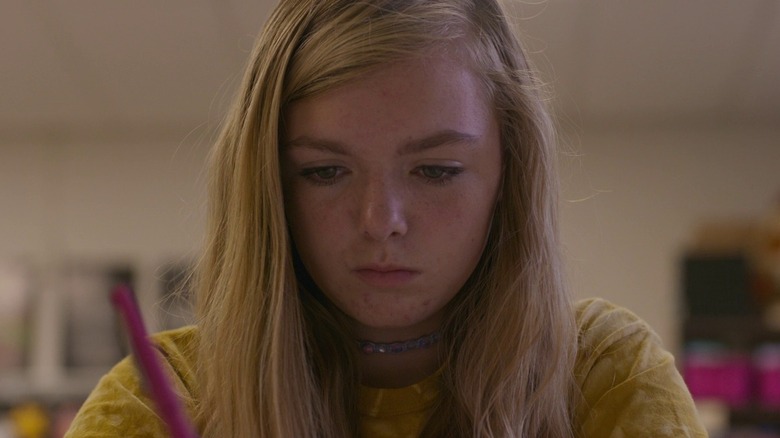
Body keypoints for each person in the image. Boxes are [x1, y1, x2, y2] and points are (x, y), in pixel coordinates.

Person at [66, 0, 706, 436]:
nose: (381, 221)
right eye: (323, 172)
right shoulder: (156, 404)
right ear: (266, 185)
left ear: (510, 175)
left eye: (436, 171)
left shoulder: (604, 380)